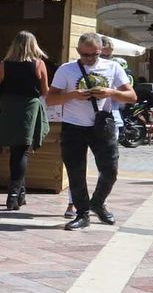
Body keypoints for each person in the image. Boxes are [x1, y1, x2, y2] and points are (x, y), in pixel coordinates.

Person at [47, 31, 136, 230]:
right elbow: (50, 99)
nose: (89, 59)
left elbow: (132, 96)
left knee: (110, 170)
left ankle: (97, 203)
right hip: (73, 126)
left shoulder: (112, 67)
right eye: (84, 54)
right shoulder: (66, 69)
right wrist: (73, 95)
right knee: (76, 172)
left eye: (94, 54)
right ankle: (82, 213)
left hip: (101, 124)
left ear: (101, 51)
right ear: (78, 51)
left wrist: (110, 92)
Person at [0, 32, 51, 212]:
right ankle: (13, 196)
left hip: (8, 107)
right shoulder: (39, 64)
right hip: (28, 108)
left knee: (15, 152)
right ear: (34, 45)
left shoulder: (4, 64)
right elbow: (45, 91)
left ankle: (20, 195)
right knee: (21, 151)